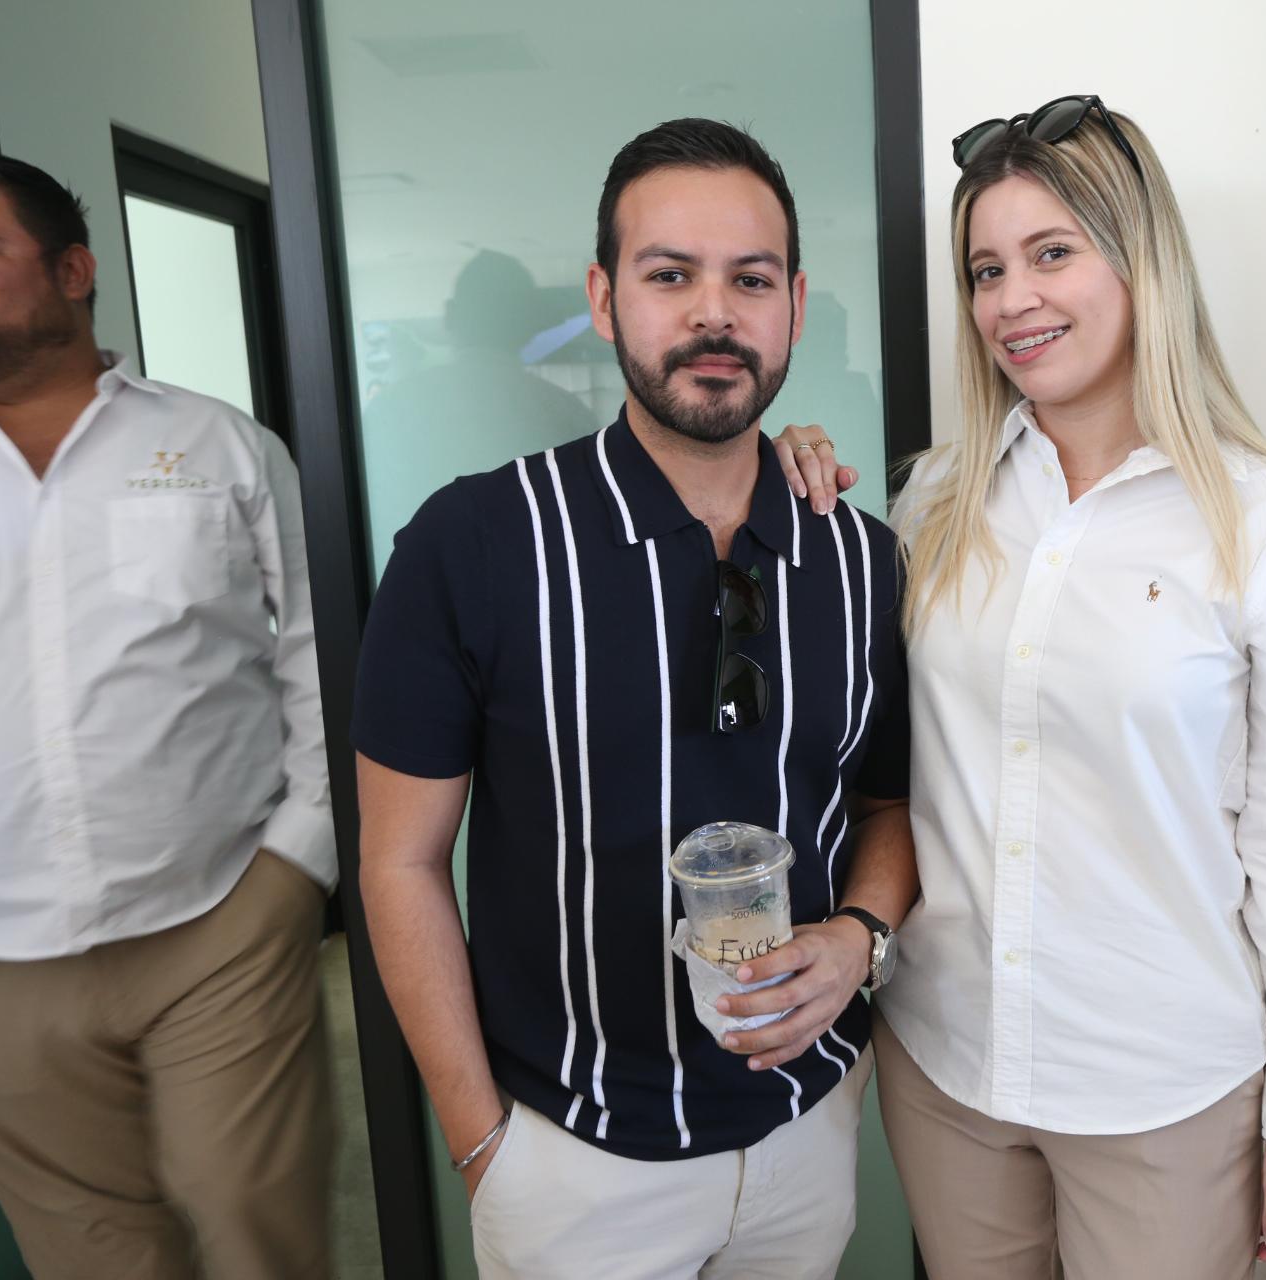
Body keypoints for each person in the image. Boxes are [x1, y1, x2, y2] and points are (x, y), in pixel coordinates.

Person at [778, 95, 1266, 1277]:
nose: (1013, 299)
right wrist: (775, 472)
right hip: (948, 1065)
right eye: (986, 269)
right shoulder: (933, 500)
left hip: (1167, 1087)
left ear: (1141, 260)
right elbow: (880, 745)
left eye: (1052, 252)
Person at [352, 117, 916, 1280]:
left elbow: (887, 805)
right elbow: (401, 861)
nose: (715, 314)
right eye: (671, 275)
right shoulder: (475, 543)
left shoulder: (861, 558)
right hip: (571, 1158)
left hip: (805, 1134)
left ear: (795, 306)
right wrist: (481, 1142)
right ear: (605, 299)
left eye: (750, 279)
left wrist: (859, 938)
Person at [0, 141, 335, 1278]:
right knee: (96, 1253)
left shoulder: (218, 444)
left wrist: (299, 862)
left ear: (73, 270)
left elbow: (321, 656)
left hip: (220, 924)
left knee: (256, 1218)